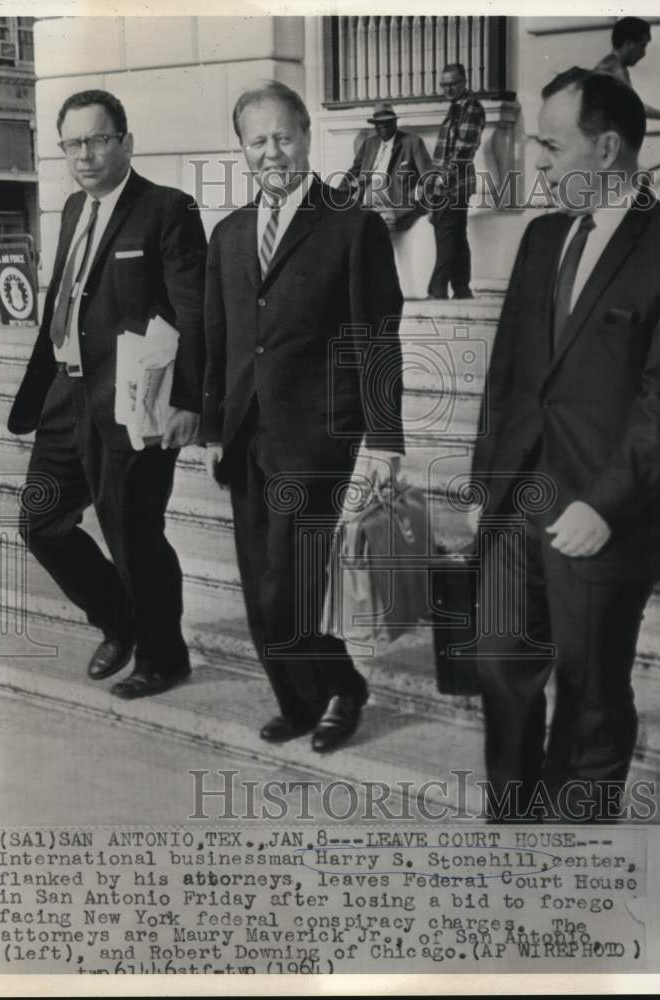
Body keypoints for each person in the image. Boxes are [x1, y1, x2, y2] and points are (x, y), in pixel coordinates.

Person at [470, 68, 660, 822]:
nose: (538, 163)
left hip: (605, 511)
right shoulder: (542, 235)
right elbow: (509, 374)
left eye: (552, 146)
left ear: (609, 146)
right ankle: (512, 822)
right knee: (499, 665)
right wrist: (487, 488)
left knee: (590, 690)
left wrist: (609, 503)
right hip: (521, 498)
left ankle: (577, 851)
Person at [201, 81, 404, 753]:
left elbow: (377, 337)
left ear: (307, 135)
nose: (271, 152)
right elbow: (219, 337)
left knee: (290, 583)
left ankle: (341, 687)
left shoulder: (351, 223)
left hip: (319, 435)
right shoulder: (228, 234)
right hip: (245, 436)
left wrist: (383, 441)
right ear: (242, 149)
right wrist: (209, 427)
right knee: (262, 591)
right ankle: (299, 700)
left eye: (282, 136)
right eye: (256, 141)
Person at [8, 89, 207, 700]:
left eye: (98, 140)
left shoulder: (166, 209)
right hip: (65, 402)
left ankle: (164, 656)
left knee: (133, 532)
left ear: (126, 141)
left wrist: (190, 400)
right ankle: (119, 621)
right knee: (41, 524)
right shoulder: (73, 208)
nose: (85, 155)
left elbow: (194, 312)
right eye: (73, 144)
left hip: (133, 402)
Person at [426, 63, 485, 300]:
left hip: (453, 184)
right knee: (457, 236)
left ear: (464, 82)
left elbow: (463, 150)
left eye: (453, 84)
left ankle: (437, 289)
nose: (448, 89)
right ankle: (462, 288)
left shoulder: (470, 108)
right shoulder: (456, 108)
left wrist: (442, 180)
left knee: (446, 235)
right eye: (444, 85)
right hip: (452, 182)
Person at [345, 102, 433, 232]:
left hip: (395, 209)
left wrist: (423, 209)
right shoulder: (369, 144)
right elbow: (353, 172)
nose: (383, 128)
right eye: (379, 124)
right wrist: (337, 196)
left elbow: (429, 178)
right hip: (367, 207)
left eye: (387, 123)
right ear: (374, 125)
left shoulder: (412, 142)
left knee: (373, 236)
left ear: (395, 123)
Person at [595, 17, 660, 121]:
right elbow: (633, 106)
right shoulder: (616, 69)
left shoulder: (608, 64)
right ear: (629, 44)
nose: (643, 53)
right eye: (642, 46)